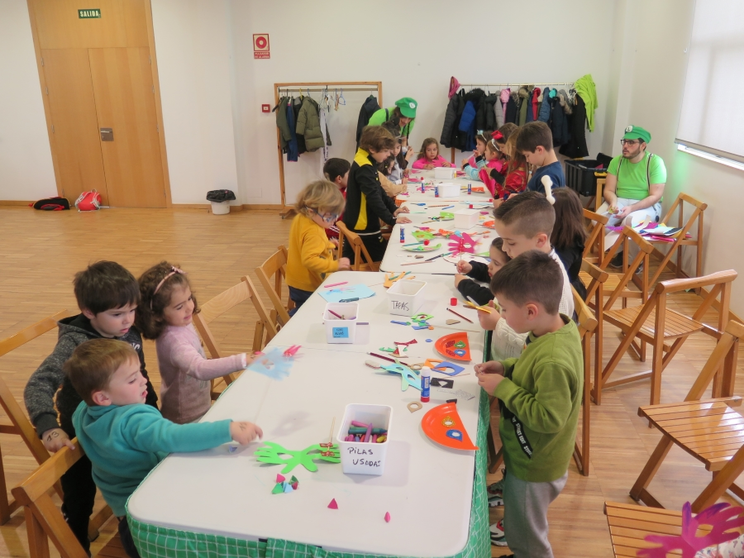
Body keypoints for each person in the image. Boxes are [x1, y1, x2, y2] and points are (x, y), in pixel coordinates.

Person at [67, 338, 263, 558]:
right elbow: (173, 436)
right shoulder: (132, 420)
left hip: (126, 516)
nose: (144, 381)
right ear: (102, 397)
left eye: (140, 373)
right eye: (132, 380)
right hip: (154, 519)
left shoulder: (82, 413)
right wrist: (226, 429)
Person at [23, 261, 158, 554]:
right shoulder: (75, 343)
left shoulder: (127, 330)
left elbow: (141, 373)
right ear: (88, 313)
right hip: (87, 432)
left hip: (129, 425)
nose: (127, 320)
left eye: (131, 310)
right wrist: (48, 428)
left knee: (145, 479)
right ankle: (77, 544)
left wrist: (154, 410)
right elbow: (38, 384)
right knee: (80, 497)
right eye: (117, 314)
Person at [476, 250, 583, 557]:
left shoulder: (554, 359)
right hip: (528, 454)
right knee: (522, 527)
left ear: (532, 310)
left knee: (525, 538)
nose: (502, 315)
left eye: (505, 309)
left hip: (535, 465)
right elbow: (529, 369)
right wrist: (506, 368)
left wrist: (505, 388)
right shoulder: (555, 327)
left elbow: (549, 418)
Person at [136, 262, 253, 425]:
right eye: (179, 306)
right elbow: (199, 368)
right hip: (185, 418)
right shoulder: (174, 341)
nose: (189, 307)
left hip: (200, 406)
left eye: (189, 298)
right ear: (156, 315)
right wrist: (242, 361)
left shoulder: (180, 322)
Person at [480, 191, 575, 363]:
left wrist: (498, 324)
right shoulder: (529, 263)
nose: (504, 250)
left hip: (519, 375)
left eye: (511, 243)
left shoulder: (552, 285)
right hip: (503, 363)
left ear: (540, 240)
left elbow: (547, 347)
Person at [343, 126, 411, 263]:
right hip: (363, 228)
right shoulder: (364, 167)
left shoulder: (366, 160)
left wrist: (394, 209)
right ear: (372, 149)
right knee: (392, 258)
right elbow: (374, 199)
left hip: (359, 225)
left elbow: (379, 190)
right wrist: (391, 220)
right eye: (385, 151)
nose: (388, 154)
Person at [603, 125, 667, 267]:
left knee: (629, 221)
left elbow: (655, 196)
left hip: (647, 205)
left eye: (631, 143)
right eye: (624, 141)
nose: (625, 146)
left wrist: (631, 208)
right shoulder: (617, 161)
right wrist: (613, 202)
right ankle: (622, 251)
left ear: (643, 145)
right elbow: (608, 189)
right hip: (620, 199)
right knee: (599, 221)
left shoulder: (655, 163)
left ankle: (634, 261)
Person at [284, 180, 351, 310]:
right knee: (307, 312)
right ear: (310, 211)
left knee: (305, 309)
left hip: (296, 280)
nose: (333, 221)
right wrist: (334, 265)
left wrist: (326, 244)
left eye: (336, 216)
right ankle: (291, 323)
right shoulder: (314, 231)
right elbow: (309, 259)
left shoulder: (302, 218)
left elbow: (304, 242)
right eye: (328, 216)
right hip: (307, 285)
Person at [551, 188, 588, 299]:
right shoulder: (556, 234)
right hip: (555, 287)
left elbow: (555, 277)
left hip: (566, 294)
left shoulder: (571, 244)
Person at [454, 237, 510, 305]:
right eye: (491, 260)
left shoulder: (512, 290)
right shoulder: (502, 276)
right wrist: (472, 268)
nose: (489, 265)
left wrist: (463, 283)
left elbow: (487, 299)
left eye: (496, 263)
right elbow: (487, 273)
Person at [516, 121, 566, 194]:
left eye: (527, 155)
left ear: (539, 150)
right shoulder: (548, 170)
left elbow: (544, 205)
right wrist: (519, 197)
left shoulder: (549, 176)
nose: (527, 160)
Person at [322, 158, 350, 241]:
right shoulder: (332, 199)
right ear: (339, 179)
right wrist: (347, 233)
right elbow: (328, 226)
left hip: (342, 232)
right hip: (335, 238)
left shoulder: (344, 190)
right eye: (349, 174)